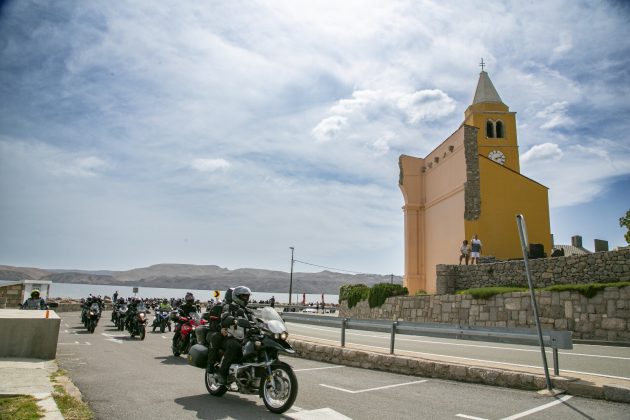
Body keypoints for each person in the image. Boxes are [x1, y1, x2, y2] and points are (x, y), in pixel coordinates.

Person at [216, 286, 253, 385]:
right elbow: (224, 318)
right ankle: (222, 373)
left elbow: (256, 321)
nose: (246, 299)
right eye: (244, 296)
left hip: (245, 338)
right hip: (231, 337)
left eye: (247, 296)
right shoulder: (229, 307)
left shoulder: (247, 311)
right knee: (234, 345)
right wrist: (233, 320)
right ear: (237, 297)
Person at [205, 288, 233, 374]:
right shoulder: (218, 307)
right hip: (217, 332)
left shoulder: (240, 309)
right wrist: (220, 329)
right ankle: (210, 364)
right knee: (216, 337)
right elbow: (212, 323)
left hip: (234, 333)